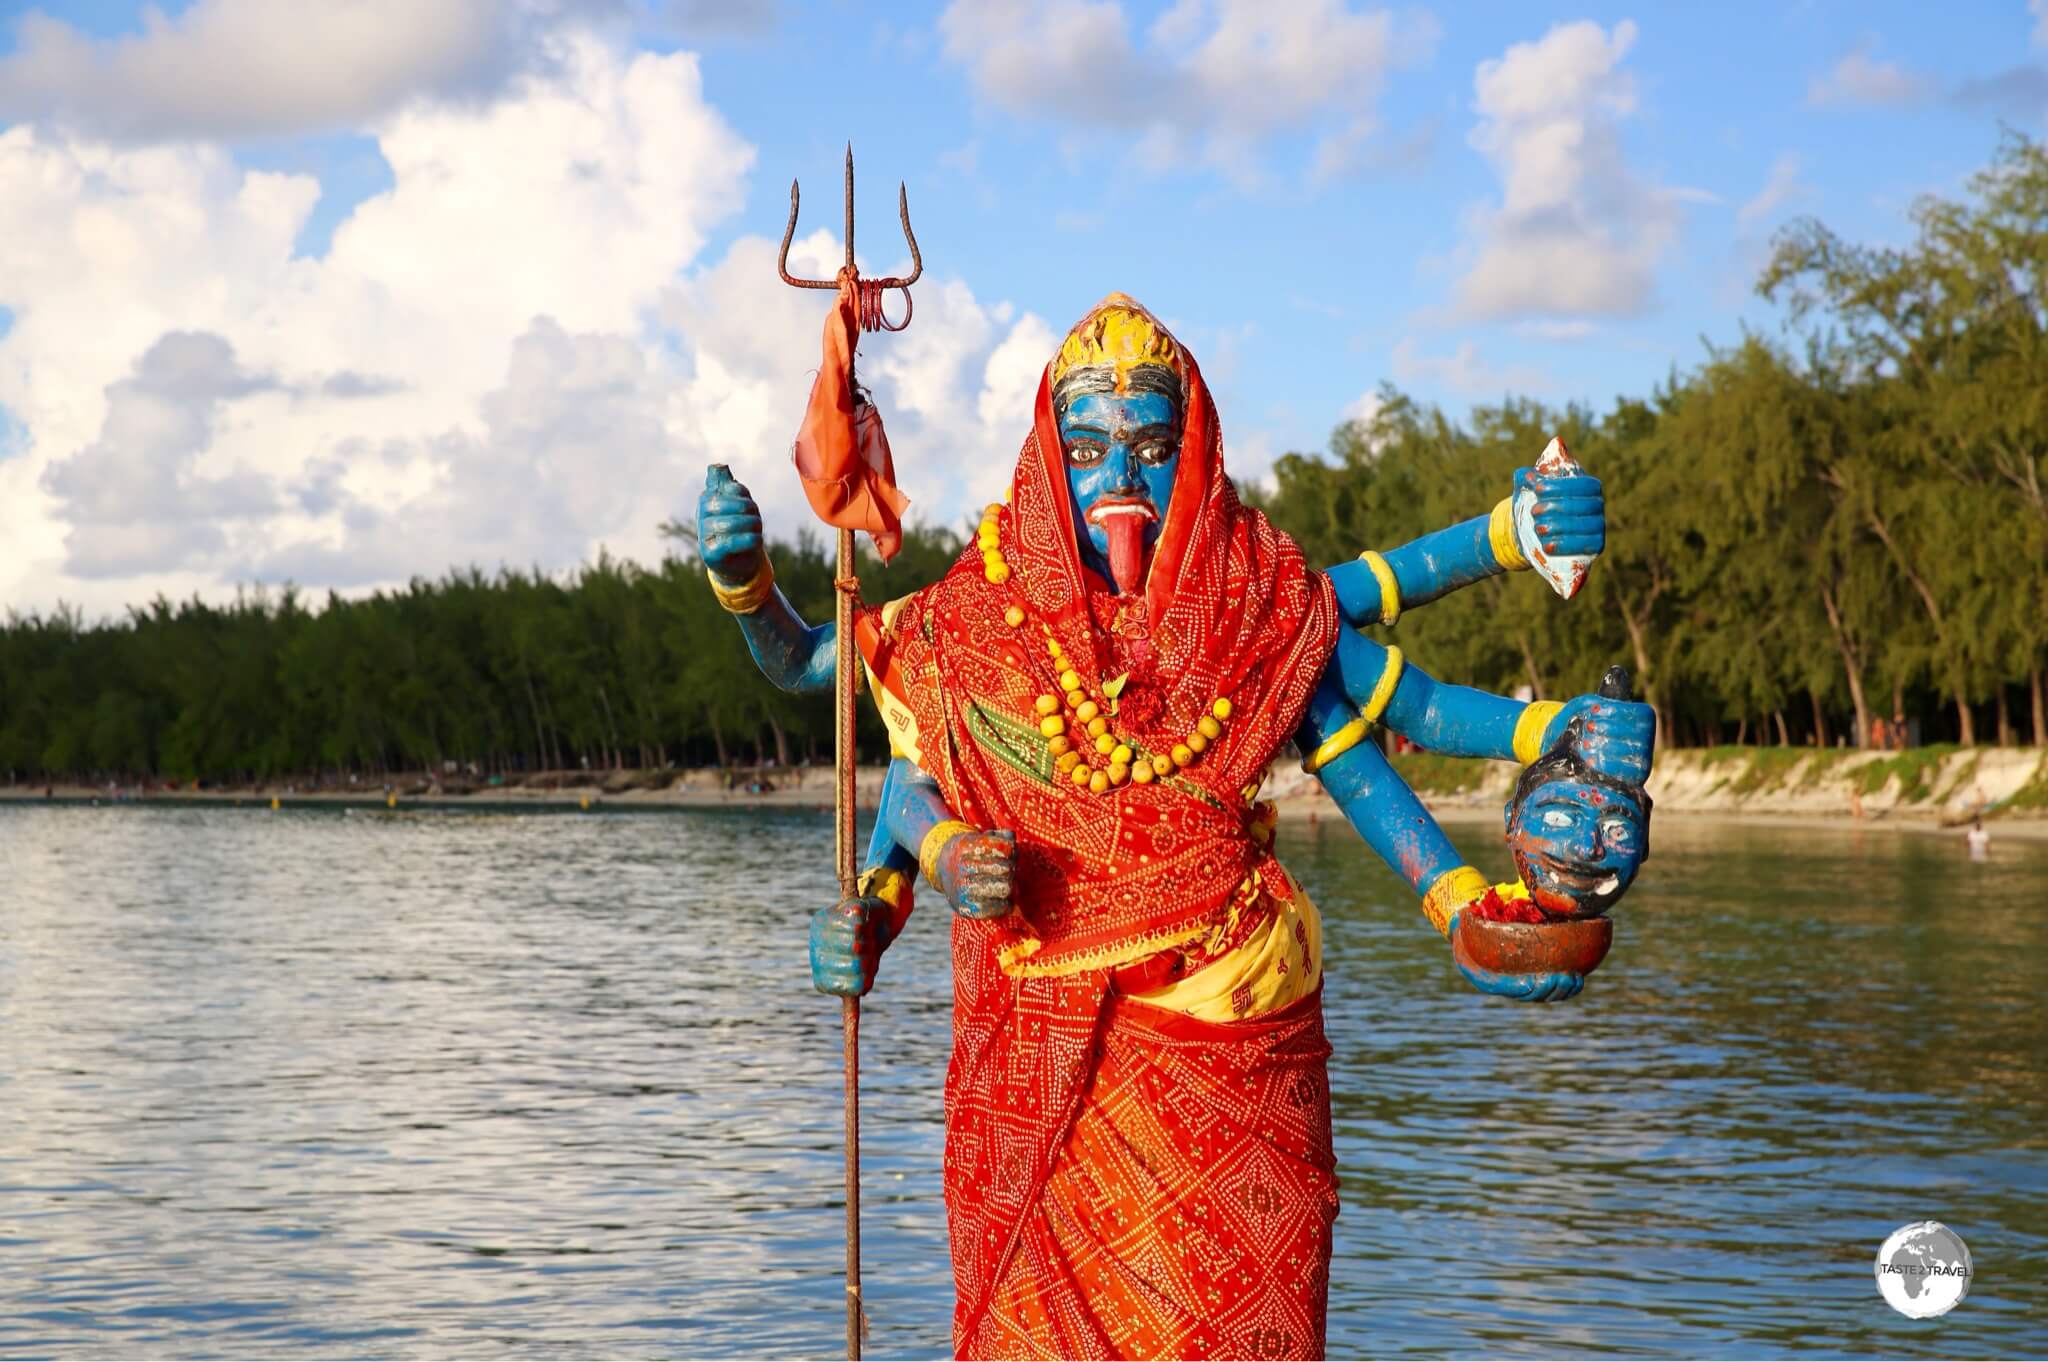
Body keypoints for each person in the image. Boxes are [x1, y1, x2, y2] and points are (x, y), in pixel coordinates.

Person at [699, 294, 1655, 1359]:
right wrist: (746, 584)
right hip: (1040, 1076)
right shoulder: (972, 626)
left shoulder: (1259, 601)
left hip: (1236, 1059)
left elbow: (1407, 707)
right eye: (1086, 451)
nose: (1119, 482)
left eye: (1151, 449)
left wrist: (1496, 849)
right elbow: (823, 686)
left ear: (1191, 448)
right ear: (1046, 460)